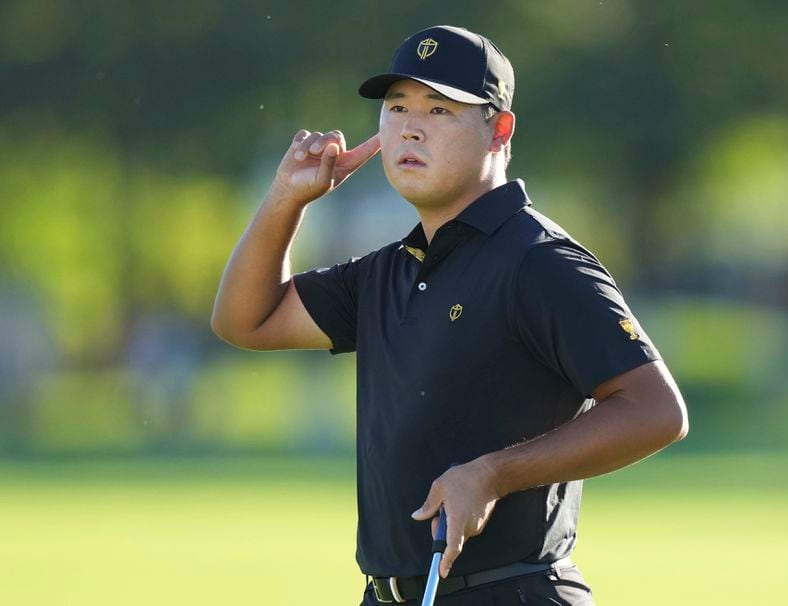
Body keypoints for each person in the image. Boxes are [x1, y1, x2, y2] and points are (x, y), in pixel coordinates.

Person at [211, 24, 688, 606]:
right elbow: (245, 321)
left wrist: (493, 473)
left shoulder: (538, 262)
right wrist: (287, 197)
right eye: (397, 106)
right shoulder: (389, 270)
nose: (410, 125)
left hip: (511, 592)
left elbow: (657, 411)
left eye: (440, 109)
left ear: (500, 129)